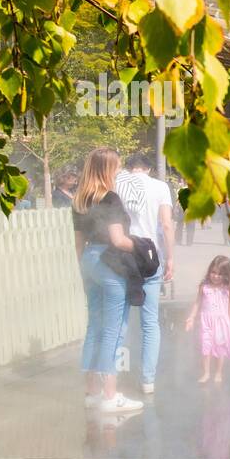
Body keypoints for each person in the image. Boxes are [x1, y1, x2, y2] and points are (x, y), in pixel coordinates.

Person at [72, 147, 142, 413]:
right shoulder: (110, 199)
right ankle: (110, 396)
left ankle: (91, 392)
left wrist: (83, 273)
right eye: (117, 167)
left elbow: (78, 243)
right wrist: (142, 247)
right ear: (107, 170)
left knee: (95, 327)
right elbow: (118, 240)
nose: (119, 171)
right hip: (110, 263)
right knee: (113, 331)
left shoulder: (80, 200)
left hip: (89, 261)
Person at [113, 151, 175, 395]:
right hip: (150, 255)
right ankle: (148, 380)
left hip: (123, 253)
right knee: (150, 322)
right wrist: (170, 258)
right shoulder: (160, 187)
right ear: (149, 168)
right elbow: (166, 225)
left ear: (130, 167)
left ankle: (113, 378)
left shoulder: (118, 184)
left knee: (120, 319)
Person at [184, 255, 230, 384]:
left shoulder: (227, 289)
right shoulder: (204, 287)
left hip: (221, 323)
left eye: (220, 274)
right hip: (206, 322)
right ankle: (206, 373)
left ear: (227, 275)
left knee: (220, 348)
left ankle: (219, 372)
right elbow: (197, 303)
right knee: (206, 346)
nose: (216, 276)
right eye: (213, 272)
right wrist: (191, 318)